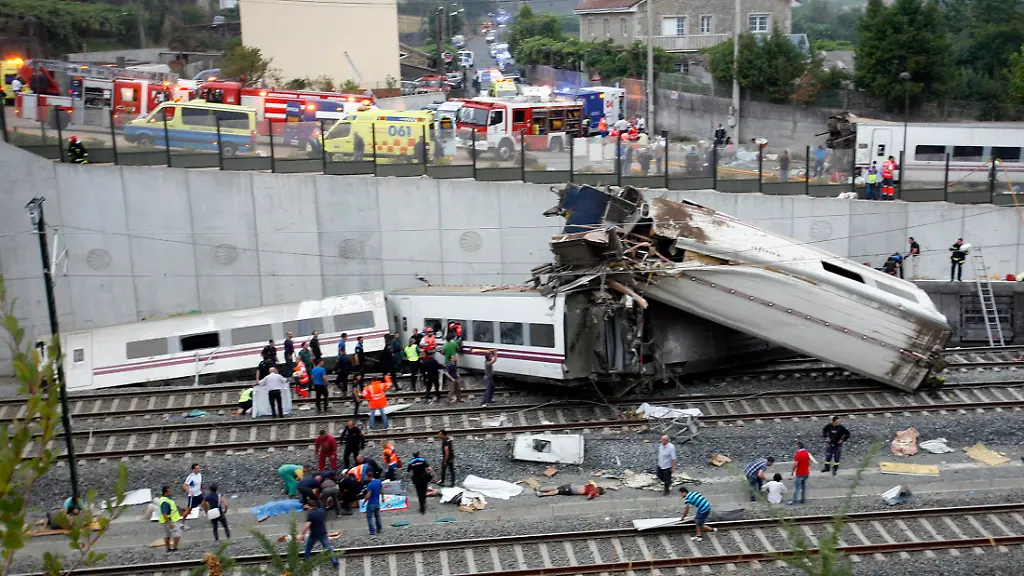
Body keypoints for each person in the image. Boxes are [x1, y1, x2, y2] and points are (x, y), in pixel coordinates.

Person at [157, 485, 182, 553]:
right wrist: (170, 523)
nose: (171, 492)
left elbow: (172, 507)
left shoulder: (165, 499)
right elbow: (164, 513)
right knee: (177, 534)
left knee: (167, 535)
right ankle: (175, 548)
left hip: (167, 521)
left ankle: (168, 549)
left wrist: (180, 509)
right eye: (169, 491)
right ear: (166, 493)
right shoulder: (165, 502)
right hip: (170, 521)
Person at [788, 441, 811, 505]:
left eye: (796, 446)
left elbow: (795, 464)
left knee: (797, 488)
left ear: (798, 446)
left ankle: (794, 501)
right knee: (804, 487)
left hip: (799, 473)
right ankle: (803, 500)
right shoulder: (807, 453)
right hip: (806, 472)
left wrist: (792, 472)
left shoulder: (798, 454)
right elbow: (809, 462)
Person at [537, 482, 604, 499]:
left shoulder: (592, 486)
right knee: (558, 491)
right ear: (598, 492)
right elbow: (588, 497)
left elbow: (587, 484)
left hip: (571, 486)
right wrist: (594, 496)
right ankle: (542, 494)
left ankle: (541, 489)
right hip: (573, 491)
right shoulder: (594, 492)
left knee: (556, 488)